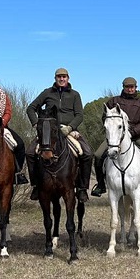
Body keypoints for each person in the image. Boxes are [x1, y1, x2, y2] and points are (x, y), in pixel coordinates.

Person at [26, 67, 93, 202]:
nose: (62, 79)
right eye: (59, 77)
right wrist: (36, 124)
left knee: (87, 153)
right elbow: (31, 108)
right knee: (30, 153)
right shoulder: (47, 93)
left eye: (64, 77)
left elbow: (79, 115)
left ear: (68, 78)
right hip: (49, 131)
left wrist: (70, 127)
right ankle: (36, 186)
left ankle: (82, 189)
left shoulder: (75, 94)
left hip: (69, 130)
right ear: (55, 78)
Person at [91, 77, 140, 198]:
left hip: (136, 136)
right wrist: (114, 130)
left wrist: (132, 132)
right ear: (123, 87)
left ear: (135, 87)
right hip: (116, 138)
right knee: (97, 155)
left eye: (132, 87)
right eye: (127, 87)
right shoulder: (113, 101)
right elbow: (105, 117)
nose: (130, 89)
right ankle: (101, 185)